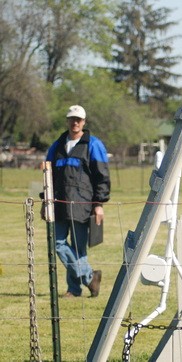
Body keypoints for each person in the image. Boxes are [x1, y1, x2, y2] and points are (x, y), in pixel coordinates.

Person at [44, 105, 111, 298]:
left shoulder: (93, 144)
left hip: (82, 204)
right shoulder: (56, 146)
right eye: (72, 119)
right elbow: (48, 175)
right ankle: (89, 277)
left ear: (84, 122)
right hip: (58, 203)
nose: (75, 122)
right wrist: (45, 202)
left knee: (78, 249)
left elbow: (102, 176)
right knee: (58, 244)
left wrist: (98, 204)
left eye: (78, 119)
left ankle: (74, 290)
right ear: (68, 121)